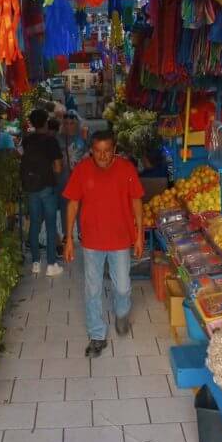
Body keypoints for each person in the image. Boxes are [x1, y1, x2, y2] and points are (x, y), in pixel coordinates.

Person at [63, 130, 144, 358]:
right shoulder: (82, 170)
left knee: (122, 287)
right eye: (98, 152)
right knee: (92, 289)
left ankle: (121, 313)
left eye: (107, 151)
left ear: (114, 150)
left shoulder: (126, 169)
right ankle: (97, 335)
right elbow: (72, 205)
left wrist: (139, 235)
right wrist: (68, 238)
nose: (102, 156)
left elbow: (137, 200)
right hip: (92, 242)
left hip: (120, 240)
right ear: (92, 151)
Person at [20, 109, 64, 276]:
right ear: (46, 122)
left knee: (35, 224)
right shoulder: (51, 141)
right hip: (47, 186)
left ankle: (36, 263)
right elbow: (58, 167)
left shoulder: (27, 140)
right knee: (51, 224)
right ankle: (51, 264)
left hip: (31, 187)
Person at [56, 110, 89, 247]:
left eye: (72, 123)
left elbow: (90, 151)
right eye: (67, 123)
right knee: (65, 207)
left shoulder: (83, 136)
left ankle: (82, 232)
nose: (69, 126)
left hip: (81, 178)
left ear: (77, 124)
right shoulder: (59, 138)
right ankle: (66, 233)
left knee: (81, 206)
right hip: (63, 179)